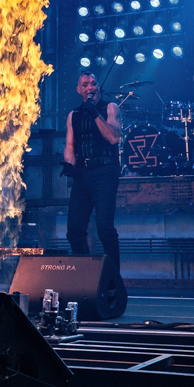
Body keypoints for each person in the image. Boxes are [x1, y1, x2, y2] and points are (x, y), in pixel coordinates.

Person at [63, 72, 123, 282]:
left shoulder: (110, 108)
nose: (90, 87)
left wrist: (94, 112)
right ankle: (85, 279)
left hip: (105, 172)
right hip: (82, 174)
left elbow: (113, 138)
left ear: (98, 87)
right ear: (79, 90)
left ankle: (113, 281)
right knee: (74, 231)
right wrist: (69, 164)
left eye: (93, 84)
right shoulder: (73, 115)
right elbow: (70, 145)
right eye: (85, 85)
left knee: (105, 230)